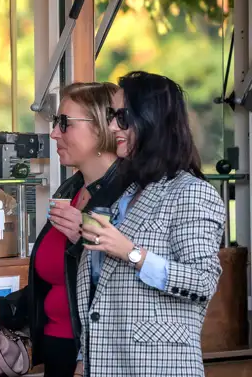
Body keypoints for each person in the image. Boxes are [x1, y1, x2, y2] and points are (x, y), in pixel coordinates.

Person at [78, 71, 225, 377]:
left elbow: (202, 281)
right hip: (109, 362)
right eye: (110, 116)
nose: (111, 126)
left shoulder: (191, 191)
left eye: (122, 116)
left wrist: (133, 254)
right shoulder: (128, 193)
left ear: (151, 120)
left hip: (158, 366)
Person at [0, 83, 124, 377]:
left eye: (64, 123)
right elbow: (57, 279)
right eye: (56, 123)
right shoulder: (71, 187)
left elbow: (126, 277)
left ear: (102, 126)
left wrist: (83, 239)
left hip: (98, 354)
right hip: (57, 349)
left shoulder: (126, 194)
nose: (54, 133)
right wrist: (8, 307)